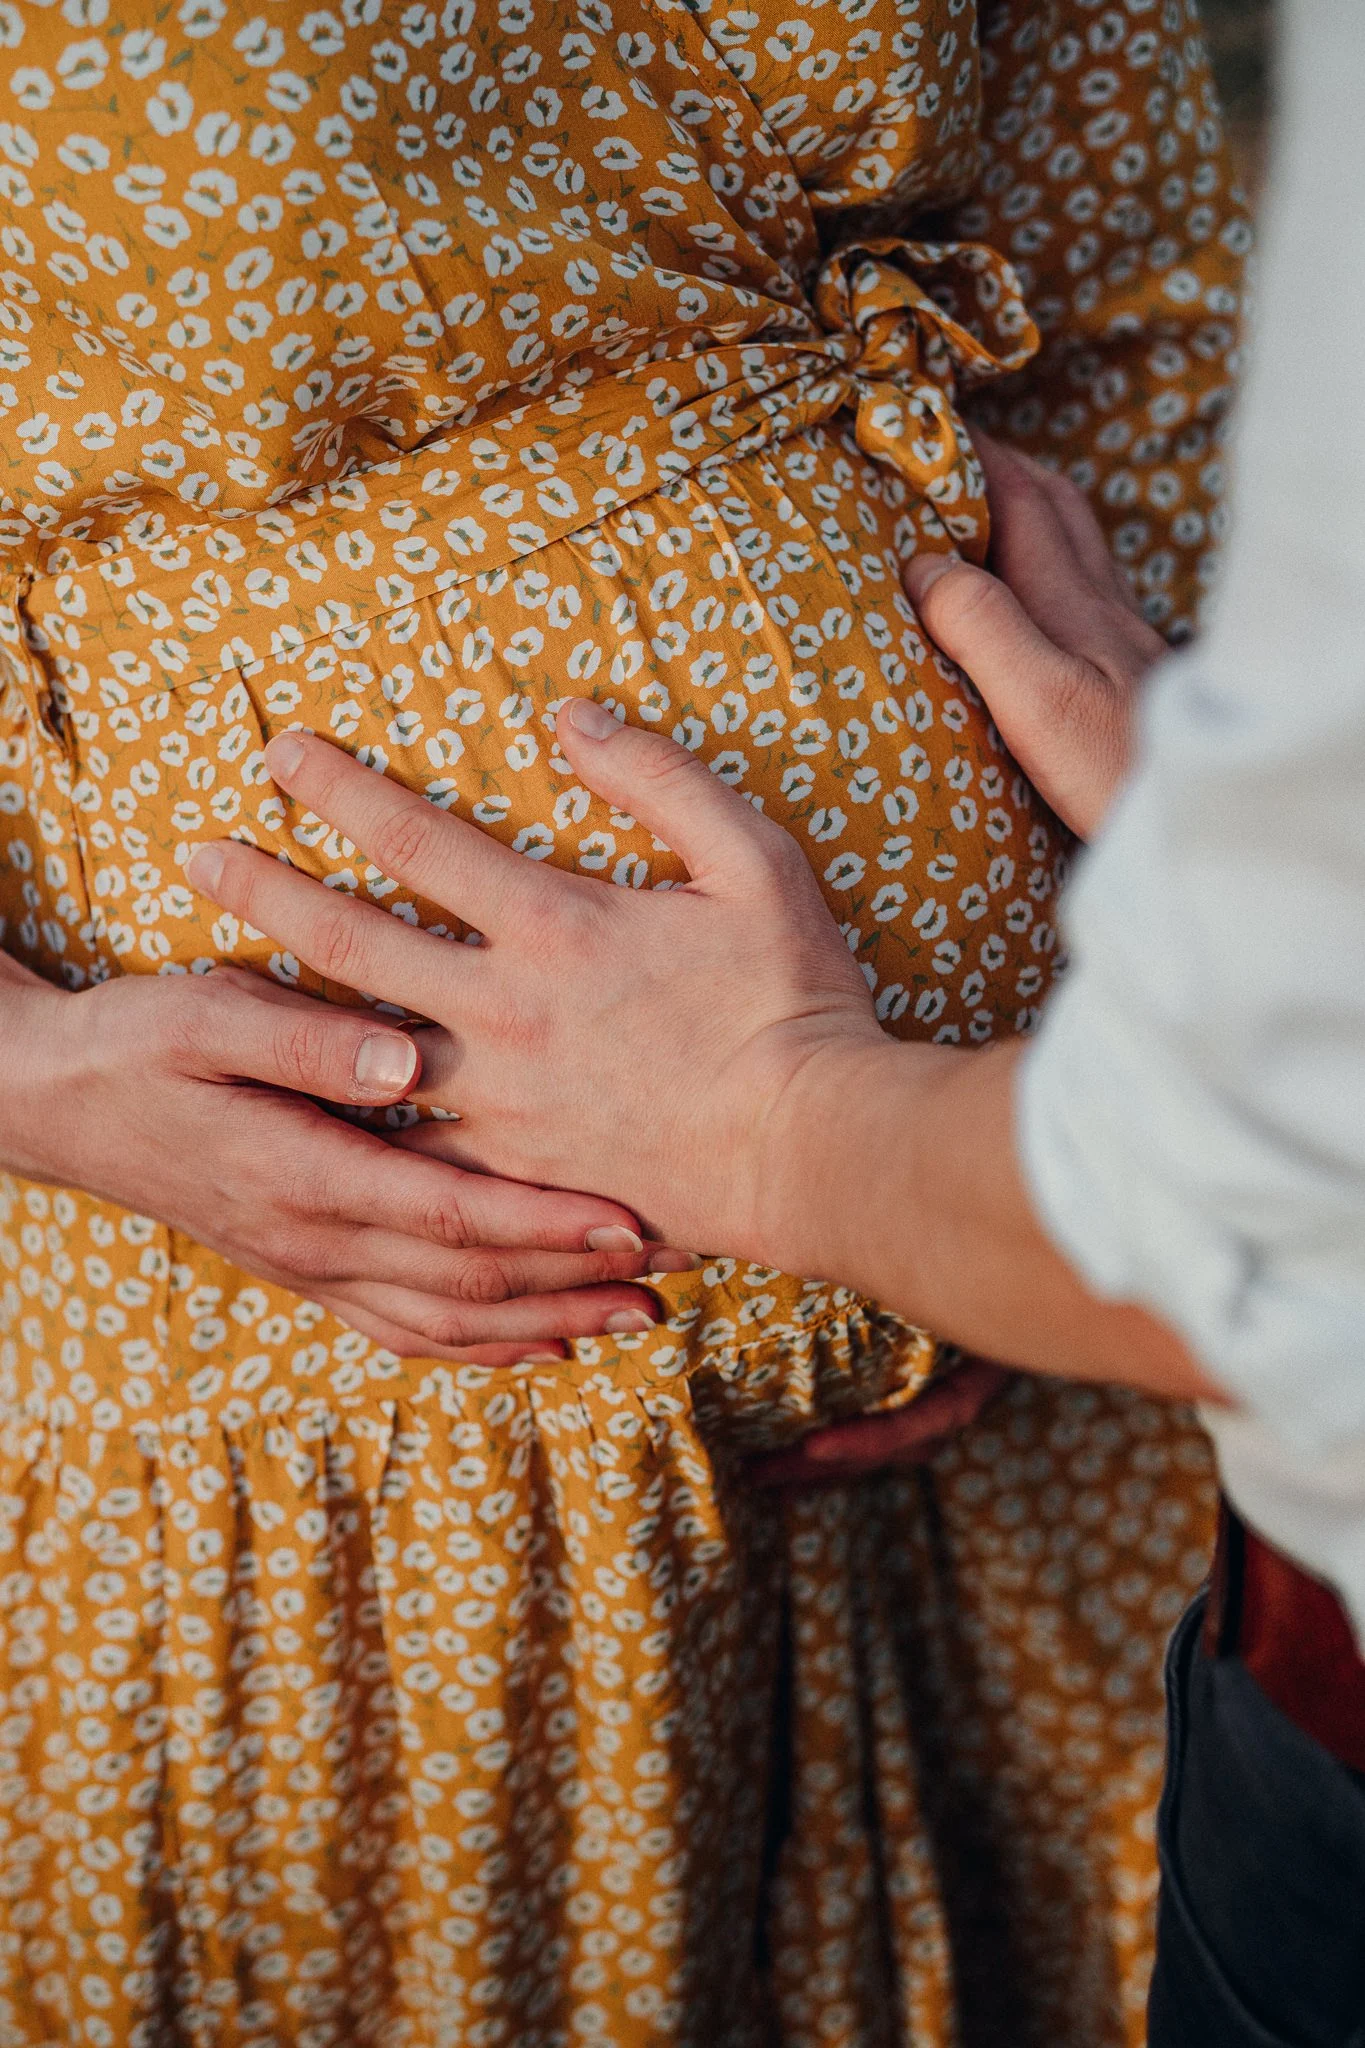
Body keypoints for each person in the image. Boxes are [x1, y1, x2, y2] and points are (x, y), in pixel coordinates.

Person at [0, 1, 1248, 2041]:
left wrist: (1164, 946)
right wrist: (27, 1072)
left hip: (1061, 1338)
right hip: (343, 1424)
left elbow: (1118, 280)